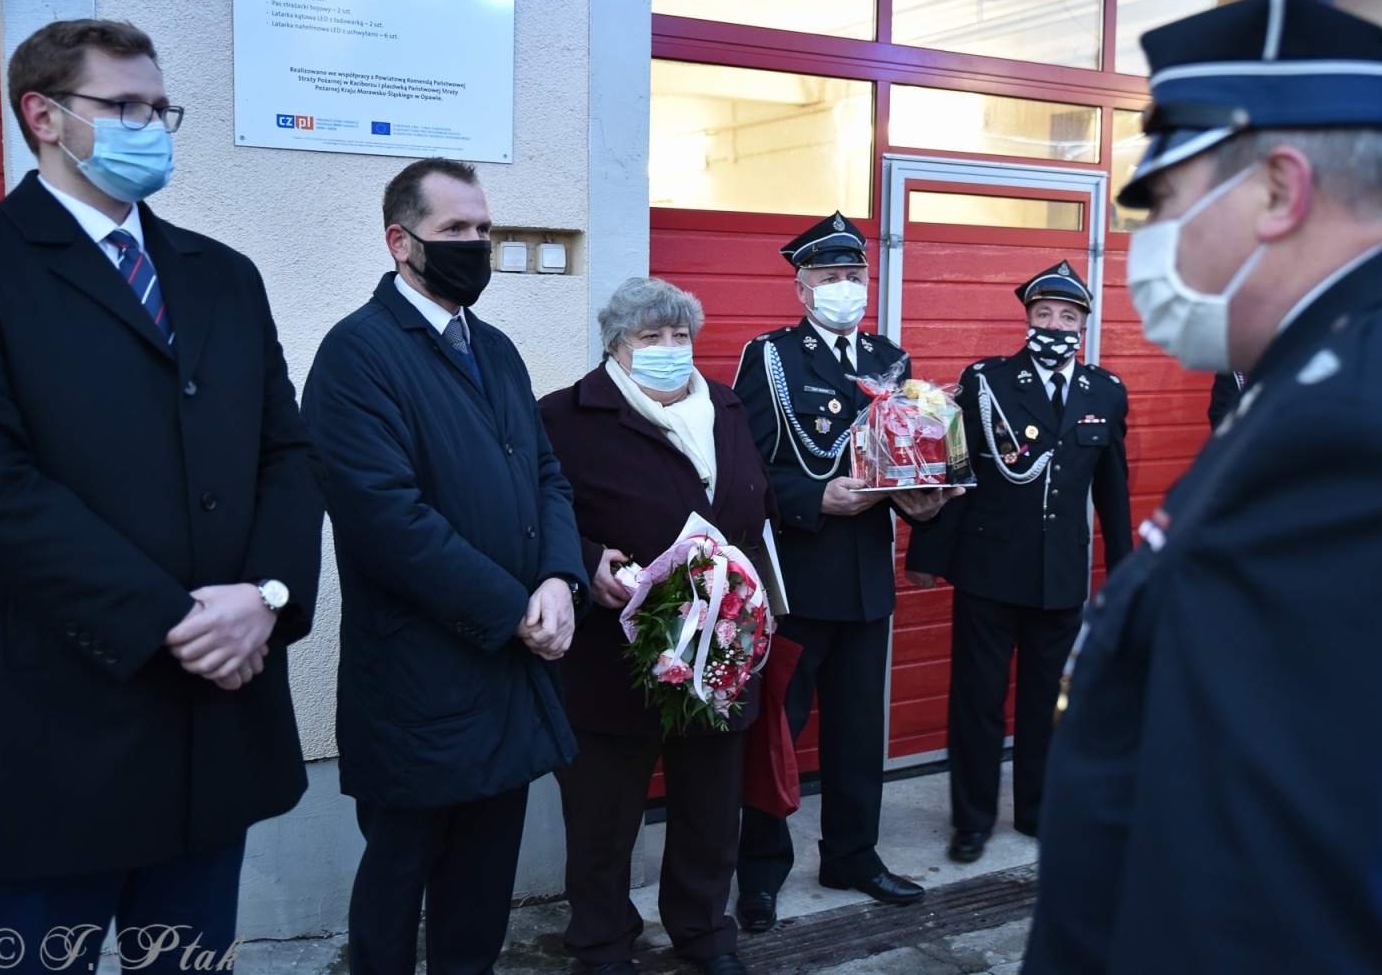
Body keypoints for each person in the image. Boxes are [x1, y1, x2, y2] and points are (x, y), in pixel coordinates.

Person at [1025, 0, 1382, 972]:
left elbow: (1271, 910)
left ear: (1280, 190)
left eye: (1170, 201)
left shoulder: (1353, 424)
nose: (1153, 245)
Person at [0, 19, 323, 972]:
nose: (150, 127)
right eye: (121, 107)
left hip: (218, 725)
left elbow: (287, 454)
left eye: (158, 108)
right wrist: (171, 620)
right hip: (59, 731)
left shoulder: (224, 276)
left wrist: (268, 598)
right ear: (43, 116)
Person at [301, 158, 588, 975]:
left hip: (506, 674)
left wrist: (560, 582)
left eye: (484, 229)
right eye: (455, 230)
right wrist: (515, 612)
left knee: (482, 883)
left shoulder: (493, 348)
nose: (476, 245)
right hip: (418, 680)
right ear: (401, 242)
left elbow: (546, 475)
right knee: (400, 873)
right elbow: (387, 520)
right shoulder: (357, 355)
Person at [538, 277, 777, 975]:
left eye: (680, 337)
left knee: (710, 811)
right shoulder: (563, 416)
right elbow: (537, 513)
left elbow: (753, 503)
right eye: (651, 337)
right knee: (604, 820)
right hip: (612, 657)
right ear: (616, 345)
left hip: (718, 652)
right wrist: (587, 561)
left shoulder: (727, 408)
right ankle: (603, 943)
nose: (670, 349)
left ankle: (705, 934)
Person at [732, 212, 959, 932]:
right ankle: (761, 873)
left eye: (853, 275)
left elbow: (909, 458)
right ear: (801, 287)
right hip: (795, 579)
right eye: (829, 276)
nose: (843, 287)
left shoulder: (890, 359)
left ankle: (853, 856)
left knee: (861, 733)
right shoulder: (768, 358)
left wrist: (925, 506)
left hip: (865, 580)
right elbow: (745, 468)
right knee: (776, 733)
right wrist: (812, 497)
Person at [904, 261, 1130, 864]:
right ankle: (972, 821)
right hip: (989, 570)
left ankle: (1037, 810)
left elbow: (1113, 490)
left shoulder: (1104, 392)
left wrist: (1129, 569)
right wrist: (927, 554)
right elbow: (960, 472)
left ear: (1083, 323)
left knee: (1047, 703)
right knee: (977, 701)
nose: (1055, 324)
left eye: (1068, 316)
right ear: (1027, 319)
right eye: (1044, 314)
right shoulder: (987, 381)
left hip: (1061, 576)